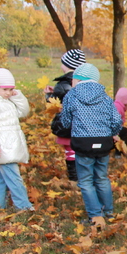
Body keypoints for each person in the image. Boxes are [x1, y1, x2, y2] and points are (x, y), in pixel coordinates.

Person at [60, 63, 122, 227]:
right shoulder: (106, 98)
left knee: (86, 181)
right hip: (103, 143)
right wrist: (111, 132)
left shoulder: (71, 96)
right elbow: (116, 122)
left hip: (83, 143)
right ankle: (108, 212)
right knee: (101, 177)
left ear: (78, 79)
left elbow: (65, 121)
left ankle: (95, 215)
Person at [0, 69, 34, 212]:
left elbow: (23, 112)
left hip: (10, 145)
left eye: (11, 89)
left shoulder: (5, 101)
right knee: (14, 177)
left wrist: (17, 97)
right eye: (5, 89)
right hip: (2, 147)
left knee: (3, 178)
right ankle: (23, 206)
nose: (8, 92)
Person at [46, 49, 86, 182]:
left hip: (68, 125)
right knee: (82, 151)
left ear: (66, 65)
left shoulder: (62, 84)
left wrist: (49, 96)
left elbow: (54, 105)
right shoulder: (86, 82)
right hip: (84, 124)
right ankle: (84, 176)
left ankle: (74, 178)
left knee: (70, 151)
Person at [113, 87, 127, 155]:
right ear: (126, 103)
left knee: (124, 131)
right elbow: (114, 122)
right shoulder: (118, 108)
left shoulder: (117, 106)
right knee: (124, 131)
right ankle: (120, 152)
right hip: (111, 132)